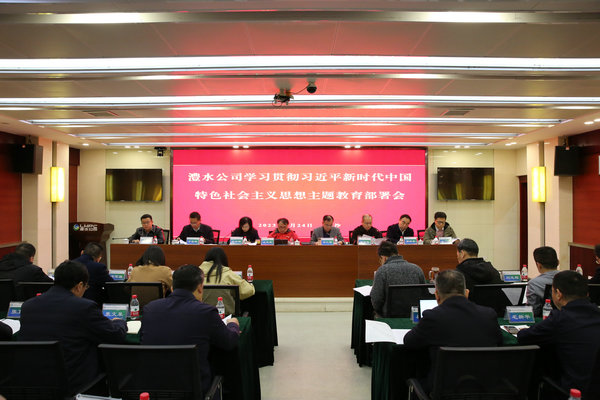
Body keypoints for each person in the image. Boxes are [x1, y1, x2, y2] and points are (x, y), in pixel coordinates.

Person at [19, 260, 127, 395]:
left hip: (35, 384)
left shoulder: (28, 306)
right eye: (86, 287)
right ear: (79, 286)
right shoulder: (84, 307)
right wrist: (119, 322)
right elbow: (115, 336)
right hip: (76, 386)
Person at [140, 265, 240, 395]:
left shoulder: (150, 309)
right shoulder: (206, 312)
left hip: (152, 389)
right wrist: (233, 325)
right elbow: (229, 342)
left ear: (172, 288)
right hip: (194, 390)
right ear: (200, 287)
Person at [404, 270, 503, 391]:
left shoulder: (433, 317)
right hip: (485, 389)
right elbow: (500, 341)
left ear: (437, 295)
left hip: (443, 390)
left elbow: (409, 341)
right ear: (466, 293)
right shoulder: (488, 314)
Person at [518, 271, 600, 396]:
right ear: (587, 294)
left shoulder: (560, 319)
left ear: (558, 294)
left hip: (573, 392)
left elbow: (524, 337)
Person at [371, 241, 426, 316]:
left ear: (383, 258)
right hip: (414, 316)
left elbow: (376, 301)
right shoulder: (417, 269)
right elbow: (425, 295)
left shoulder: (382, 271)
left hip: (389, 317)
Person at [199, 247, 255, 315]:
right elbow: (248, 291)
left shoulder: (196, 274)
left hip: (201, 316)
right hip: (227, 317)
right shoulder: (229, 274)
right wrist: (250, 284)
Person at [526, 246, 561, 316]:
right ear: (558, 262)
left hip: (545, 319)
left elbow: (533, 311)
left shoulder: (534, 283)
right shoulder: (570, 278)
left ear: (539, 265)